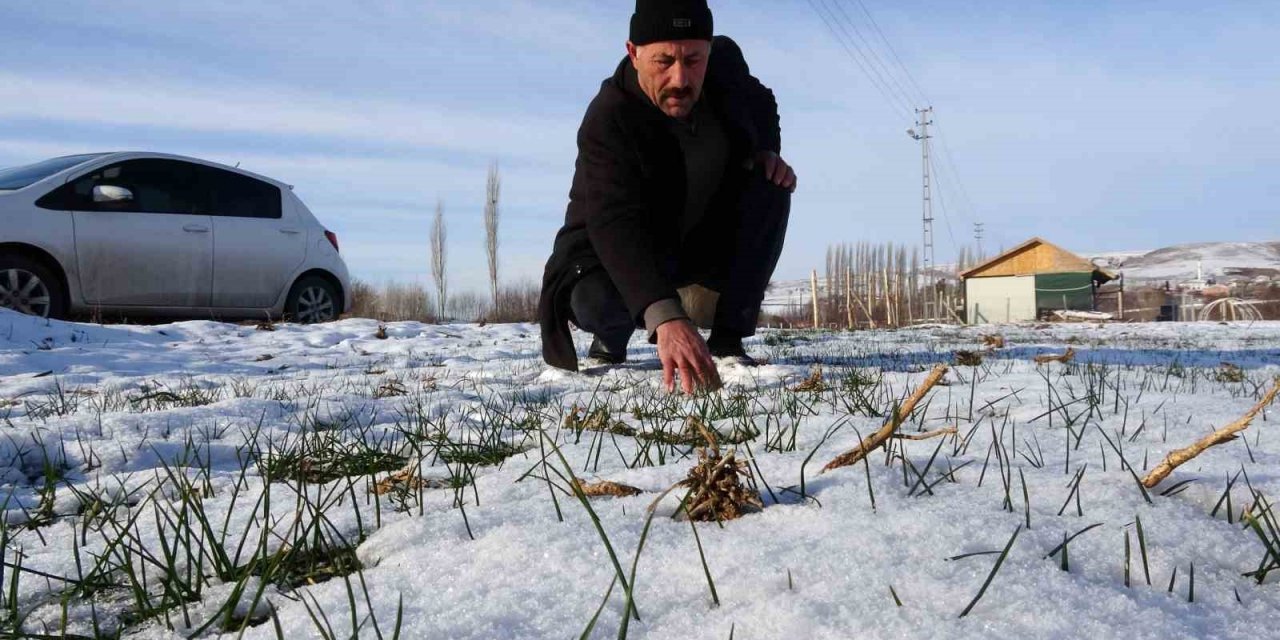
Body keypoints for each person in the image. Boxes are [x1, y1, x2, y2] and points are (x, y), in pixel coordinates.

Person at [538, 0, 796, 394]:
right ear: (633, 53)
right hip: (607, 256)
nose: (680, 77)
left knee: (771, 184)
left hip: (692, 243)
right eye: (664, 61)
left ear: (708, 50)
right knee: (597, 302)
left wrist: (766, 150)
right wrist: (666, 318)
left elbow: (762, 102)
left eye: (694, 60)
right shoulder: (608, 118)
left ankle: (728, 340)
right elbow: (614, 223)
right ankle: (612, 335)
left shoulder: (725, 69)